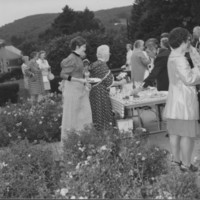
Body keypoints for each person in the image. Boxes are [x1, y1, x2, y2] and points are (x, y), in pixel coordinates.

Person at [163, 27, 200, 172]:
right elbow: (189, 79)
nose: (189, 44)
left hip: (173, 101)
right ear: (183, 41)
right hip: (184, 103)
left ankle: (176, 160)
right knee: (187, 136)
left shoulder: (172, 56)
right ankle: (186, 164)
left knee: (175, 134)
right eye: (188, 41)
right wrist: (198, 68)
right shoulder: (180, 59)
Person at [60, 36, 92, 140]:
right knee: (72, 116)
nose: (85, 49)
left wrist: (85, 77)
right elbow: (63, 75)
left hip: (80, 88)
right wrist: (80, 80)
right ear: (77, 46)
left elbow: (77, 72)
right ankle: (71, 140)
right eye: (83, 47)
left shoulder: (78, 58)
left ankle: (82, 138)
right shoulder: (70, 58)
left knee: (84, 114)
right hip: (72, 89)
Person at [89, 45, 126, 131]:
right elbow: (110, 82)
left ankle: (99, 133)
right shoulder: (102, 65)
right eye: (109, 53)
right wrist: (121, 82)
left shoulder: (94, 64)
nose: (110, 54)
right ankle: (106, 134)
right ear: (105, 54)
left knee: (97, 114)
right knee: (104, 114)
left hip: (93, 92)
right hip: (100, 93)